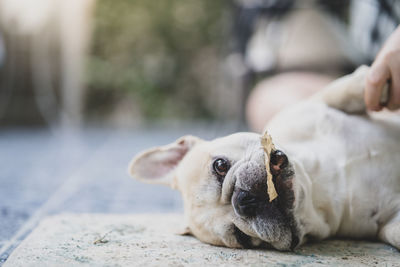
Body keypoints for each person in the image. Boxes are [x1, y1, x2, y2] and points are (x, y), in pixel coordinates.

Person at [245, 0, 400, 132]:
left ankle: (351, 137)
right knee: (266, 100)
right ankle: (347, 135)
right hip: (372, 92)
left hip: (387, 102)